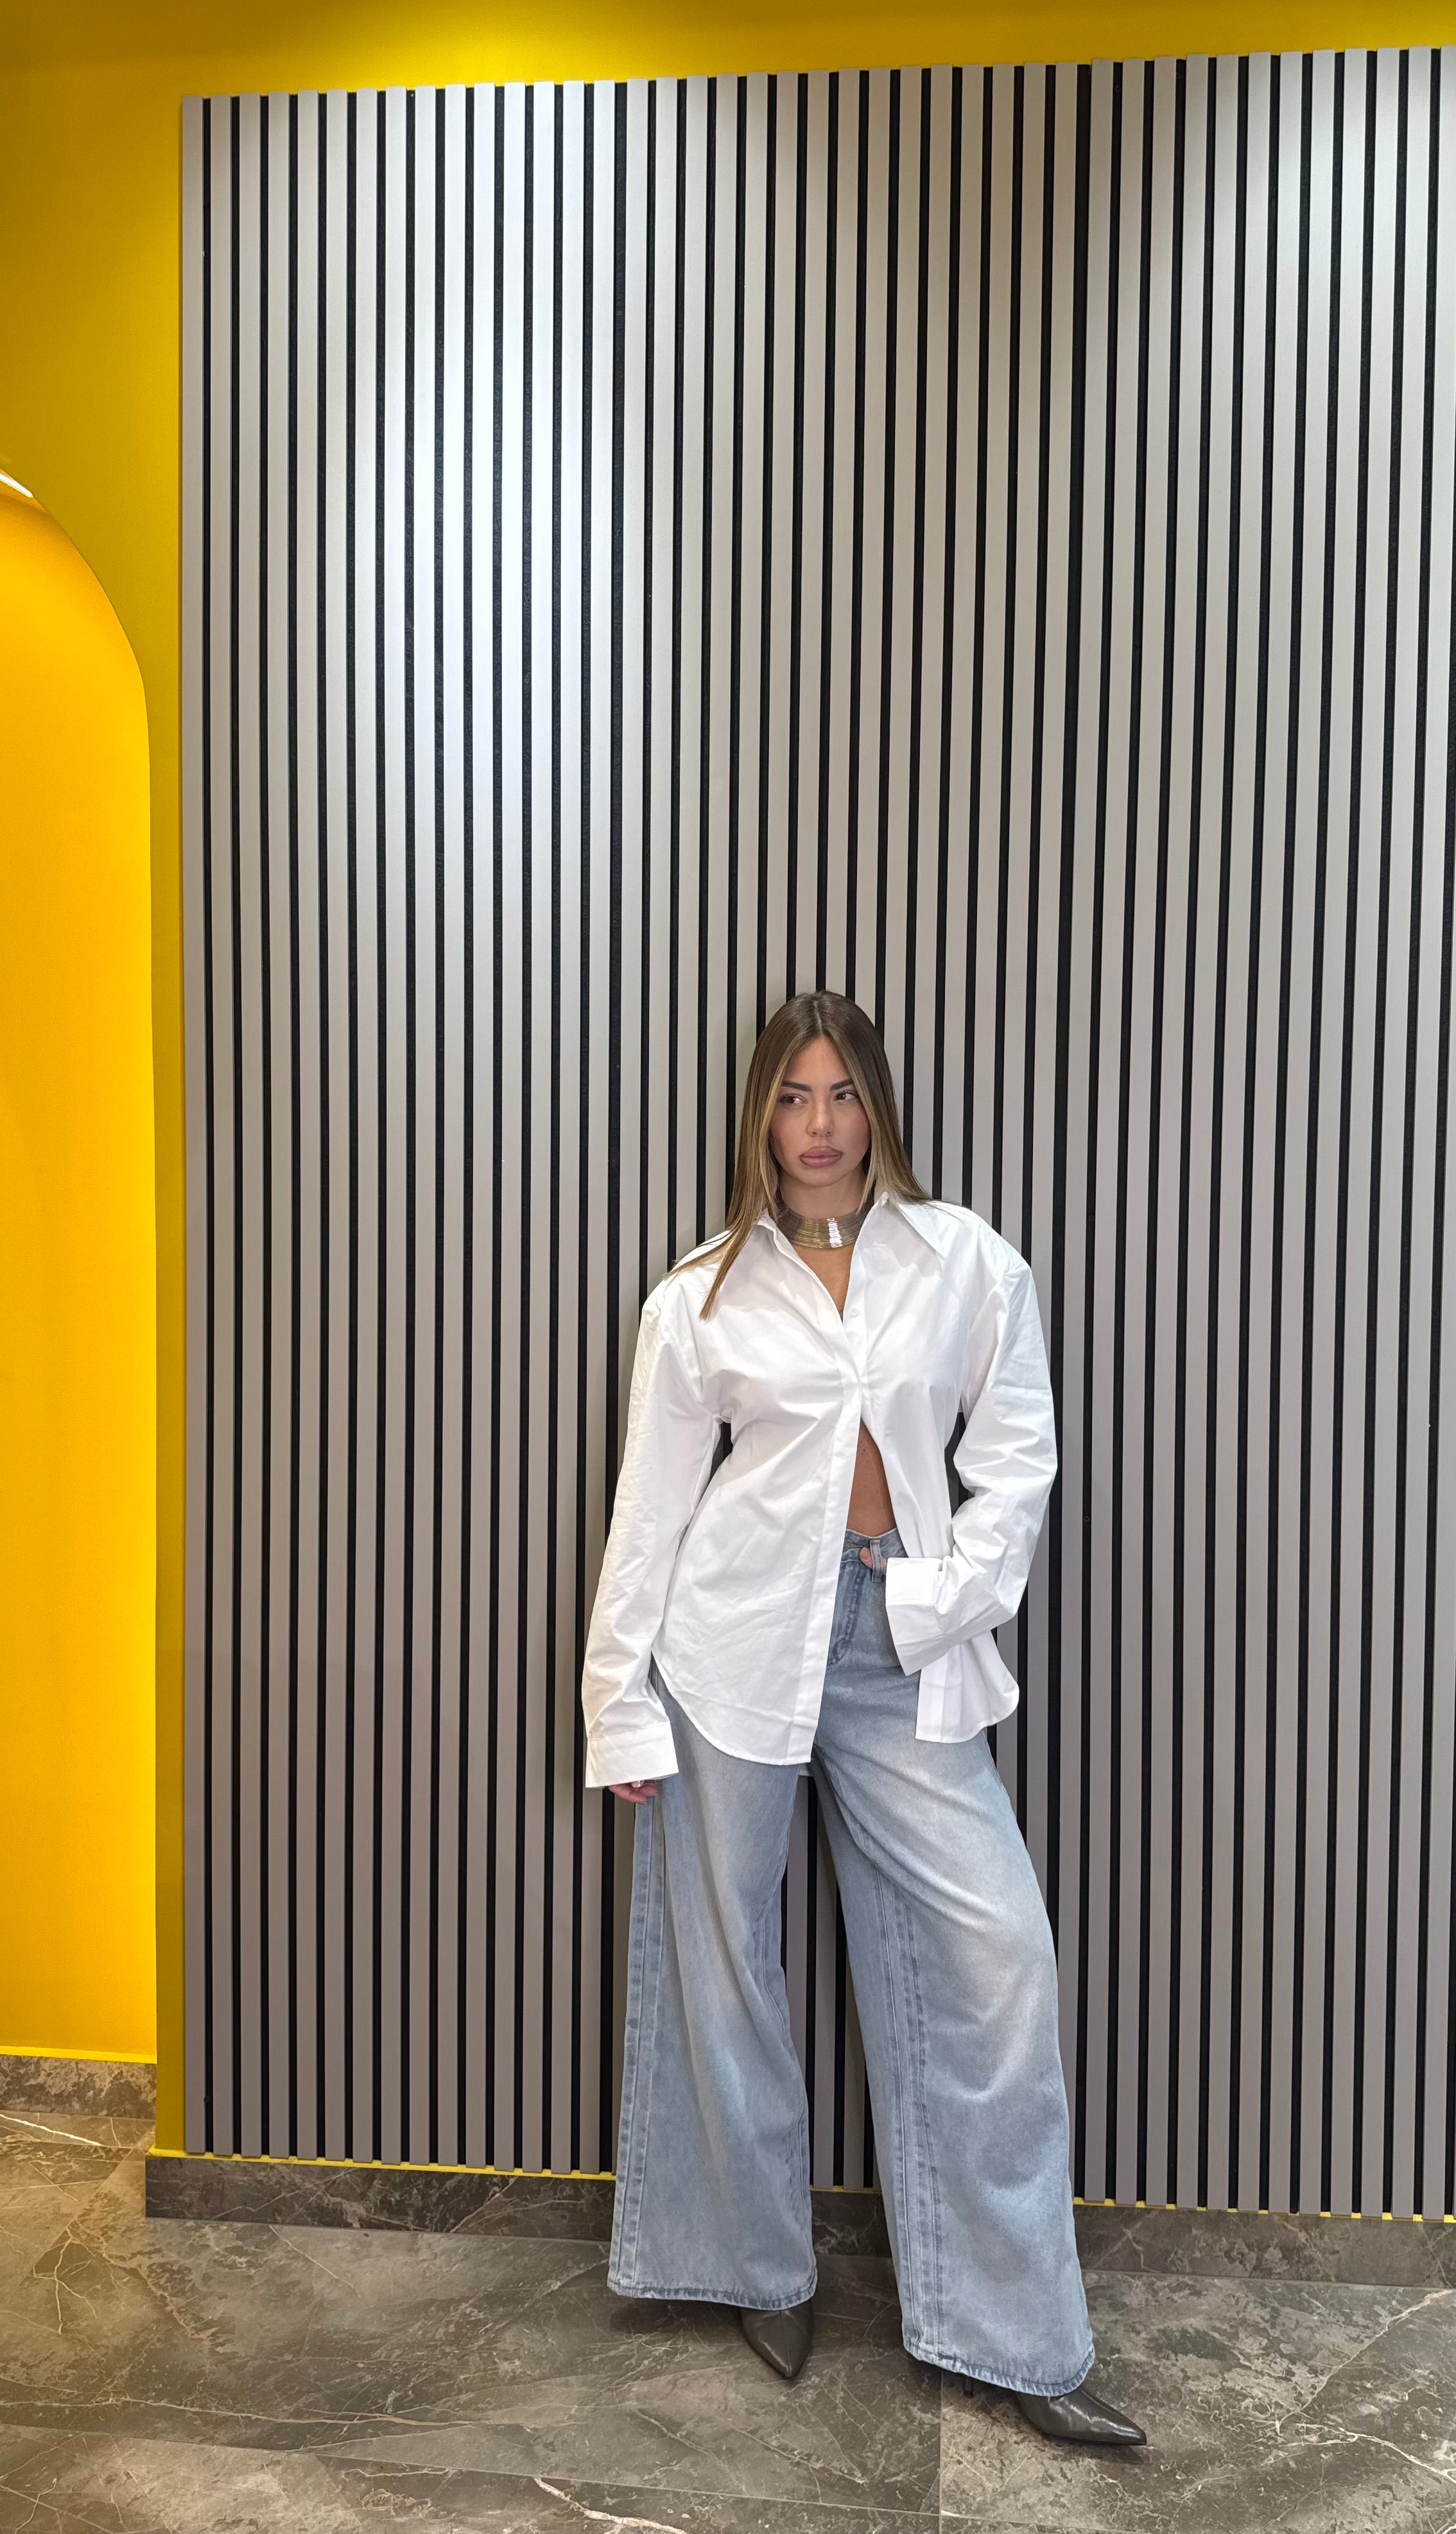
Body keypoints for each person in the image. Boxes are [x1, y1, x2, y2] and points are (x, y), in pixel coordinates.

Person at [580, 991, 1144, 2448]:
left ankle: (1009, 2333)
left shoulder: (967, 1262)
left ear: (877, 1103)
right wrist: (620, 1701)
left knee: (999, 1956)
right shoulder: (700, 1294)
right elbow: (652, 1507)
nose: (818, 1126)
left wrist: (944, 1599)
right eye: (791, 1097)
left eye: (839, 1094)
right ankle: (749, 2267)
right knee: (722, 1965)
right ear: (759, 1117)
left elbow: (1016, 1461)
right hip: (729, 1645)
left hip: (902, 1638)